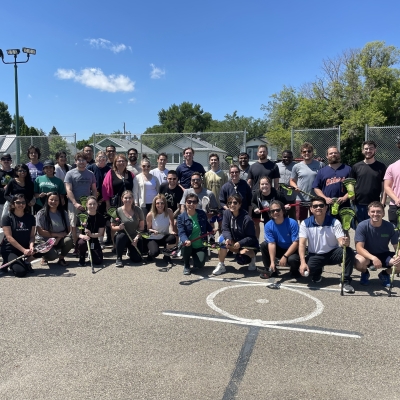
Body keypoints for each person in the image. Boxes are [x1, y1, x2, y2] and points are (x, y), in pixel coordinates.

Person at [298, 196, 355, 293]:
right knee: (307, 272)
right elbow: (302, 244)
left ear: (326, 208)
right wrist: (303, 262)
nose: (318, 208)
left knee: (348, 252)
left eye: (321, 205)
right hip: (315, 255)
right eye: (315, 206)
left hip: (332, 253)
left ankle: (345, 281)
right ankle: (318, 271)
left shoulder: (335, 222)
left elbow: (341, 240)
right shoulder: (305, 223)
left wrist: (344, 242)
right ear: (311, 209)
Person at [354, 201, 400, 287]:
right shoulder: (362, 226)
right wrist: (373, 258)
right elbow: (359, 248)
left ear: (383, 213)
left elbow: (397, 246)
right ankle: (365, 273)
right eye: (373, 211)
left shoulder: (390, 227)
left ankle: (385, 274)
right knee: (359, 262)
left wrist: (398, 255)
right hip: (366, 255)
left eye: (379, 211)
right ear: (368, 213)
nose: (376, 214)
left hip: (384, 254)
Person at [212, 194, 258, 275]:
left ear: (240, 204)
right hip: (234, 241)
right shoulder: (226, 213)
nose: (232, 205)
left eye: (235, 203)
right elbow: (225, 229)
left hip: (247, 244)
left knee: (241, 259)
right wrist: (228, 238)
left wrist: (240, 243)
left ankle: (252, 257)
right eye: (229, 203)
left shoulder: (247, 219)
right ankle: (221, 265)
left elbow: (252, 238)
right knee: (222, 241)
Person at [259, 200, 300, 279]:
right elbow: (271, 243)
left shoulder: (292, 223)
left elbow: (296, 242)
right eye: (272, 211)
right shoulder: (268, 225)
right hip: (279, 247)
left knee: (293, 259)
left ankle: (295, 271)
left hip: (292, 249)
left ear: (283, 211)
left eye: (278, 210)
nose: (275, 212)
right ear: (270, 213)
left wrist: (285, 256)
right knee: (264, 245)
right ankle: (271, 269)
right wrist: (272, 261)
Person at [64, 152, 97, 248]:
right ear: (75, 161)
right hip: (73, 204)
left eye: (83, 160)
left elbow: (94, 189)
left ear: (86, 161)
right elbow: (68, 190)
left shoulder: (90, 174)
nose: (81, 162)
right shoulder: (70, 173)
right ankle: (76, 247)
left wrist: (93, 202)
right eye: (79, 160)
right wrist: (75, 203)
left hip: (87, 205)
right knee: (74, 225)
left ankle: (86, 246)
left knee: (86, 225)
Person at [1, 194, 37, 277]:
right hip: (10, 249)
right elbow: (9, 238)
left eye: (23, 202)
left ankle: (26, 262)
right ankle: (7, 261)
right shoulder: (7, 218)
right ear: (13, 204)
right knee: (20, 272)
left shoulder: (31, 218)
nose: (21, 205)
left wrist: (31, 246)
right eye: (18, 202)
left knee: (43, 248)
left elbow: (32, 236)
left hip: (25, 248)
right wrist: (24, 250)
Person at [350, 141, 387, 223]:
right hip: (358, 204)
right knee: (360, 229)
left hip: (375, 205)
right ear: (362, 150)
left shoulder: (381, 167)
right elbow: (351, 184)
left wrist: (382, 203)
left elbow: (384, 187)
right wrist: (351, 197)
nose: (368, 151)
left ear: (375, 150)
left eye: (371, 148)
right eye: (366, 148)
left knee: (374, 229)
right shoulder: (356, 167)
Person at [177, 193, 213, 275]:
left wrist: (211, 230)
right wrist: (185, 240)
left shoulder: (201, 213)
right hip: (188, 244)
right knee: (186, 245)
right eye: (189, 202)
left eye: (194, 202)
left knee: (199, 265)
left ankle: (195, 256)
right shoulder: (181, 217)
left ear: (197, 203)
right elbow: (181, 232)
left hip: (200, 245)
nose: (191, 204)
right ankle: (186, 264)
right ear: (185, 203)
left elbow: (206, 225)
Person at [36, 192, 74, 266]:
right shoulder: (41, 213)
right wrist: (56, 235)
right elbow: (40, 231)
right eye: (51, 199)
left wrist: (58, 238)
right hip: (45, 240)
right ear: (47, 200)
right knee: (53, 256)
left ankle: (61, 258)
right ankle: (44, 257)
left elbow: (68, 229)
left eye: (56, 200)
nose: (54, 202)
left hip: (58, 239)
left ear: (59, 201)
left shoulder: (63, 213)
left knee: (69, 240)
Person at [290, 142, 324, 222]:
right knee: (302, 222)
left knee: (317, 220)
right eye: (304, 151)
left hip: (316, 198)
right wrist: (295, 187)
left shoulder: (320, 165)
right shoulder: (296, 166)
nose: (307, 153)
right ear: (301, 153)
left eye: (309, 151)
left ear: (312, 152)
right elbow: (292, 181)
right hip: (301, 198)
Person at [312, 146, 351, 214]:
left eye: (335, 153)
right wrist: (325, 198)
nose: (333, 154)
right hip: (327, 206)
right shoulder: (322, 171)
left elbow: (353, 187)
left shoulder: (348, 169)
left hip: (344, 206)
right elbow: (316, 188)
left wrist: (345, 197)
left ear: (339, 154)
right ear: (327, 156)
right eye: (331, 153)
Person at [111, 190, 145, 267]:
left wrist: (136, 238)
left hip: (134, 237)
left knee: (137, 259)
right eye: (125, 198)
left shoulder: (138, 210)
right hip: (123, 236)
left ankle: (130, 251)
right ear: (122, 199)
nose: (128, 200)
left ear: (133, 199)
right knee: (121, 236)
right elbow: (112, 227)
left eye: (130, 198)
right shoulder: (118, 211)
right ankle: (119, 258)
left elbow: (141, 227)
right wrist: (119, 227)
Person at [145, 194, 177, 266]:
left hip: (164, 236)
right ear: (154, 204)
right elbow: (148, 229)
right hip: (153, 238)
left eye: (162, 203)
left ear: (165, 204)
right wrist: (153, 231)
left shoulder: (169, 211)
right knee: (155, 253)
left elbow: (171, 223)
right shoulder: (150, 214)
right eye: (158, 203)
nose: (160, 205)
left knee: (172, 238)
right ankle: (150, 253)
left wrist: (171, 231)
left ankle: (167, 256)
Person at [87, 151, 111, 246]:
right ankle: (90, 237)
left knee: (102, 219)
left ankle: (100, 240)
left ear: (106, 159)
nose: (102, 159)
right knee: (92, 218)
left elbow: (109, 185)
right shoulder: (90, 168)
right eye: (100, 157)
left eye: (104, 157)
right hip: (92, 198)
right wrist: (93, 198)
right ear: (96, 158)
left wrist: (104, 199)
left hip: (104, 199)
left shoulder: (108, 169)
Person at [76, 196, 106, 266]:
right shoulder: (81, 216)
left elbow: (100, 233)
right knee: (81, 243)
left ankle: (92, 254)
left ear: (97, 204)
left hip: (94, 239)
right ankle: (82, 257)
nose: (92, 206)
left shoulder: (101, 217)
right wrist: (83, 236)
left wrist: (91, 234)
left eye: (94, 204)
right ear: (86, 205)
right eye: (90, 204)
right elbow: (77, 233)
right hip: (84, 239)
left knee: (98, 261)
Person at [276, 150, 297, 219]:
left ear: (292, 157)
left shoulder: (296, 166)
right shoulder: (277, 165)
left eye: (289, 157)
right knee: (281, 215)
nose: (287, 158)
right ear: (282, 157)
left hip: (292, 195)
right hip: (280, 195)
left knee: (292, 216)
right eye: (285, 157)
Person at [0, 153, 15, 243]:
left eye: (8, 159)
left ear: (11, 161)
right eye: (4, 160)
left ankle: (11, 243)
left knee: (12, 224)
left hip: (13, 202)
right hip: (1, 202)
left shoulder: (15, 172)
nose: (6, 161)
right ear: (0, 161)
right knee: (1, 225)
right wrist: (3, 189)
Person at [383, 158, 400, 226]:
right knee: (395, 234)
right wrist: (396, 199)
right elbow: (387, 186)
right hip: (395, 206)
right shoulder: (392, 166)